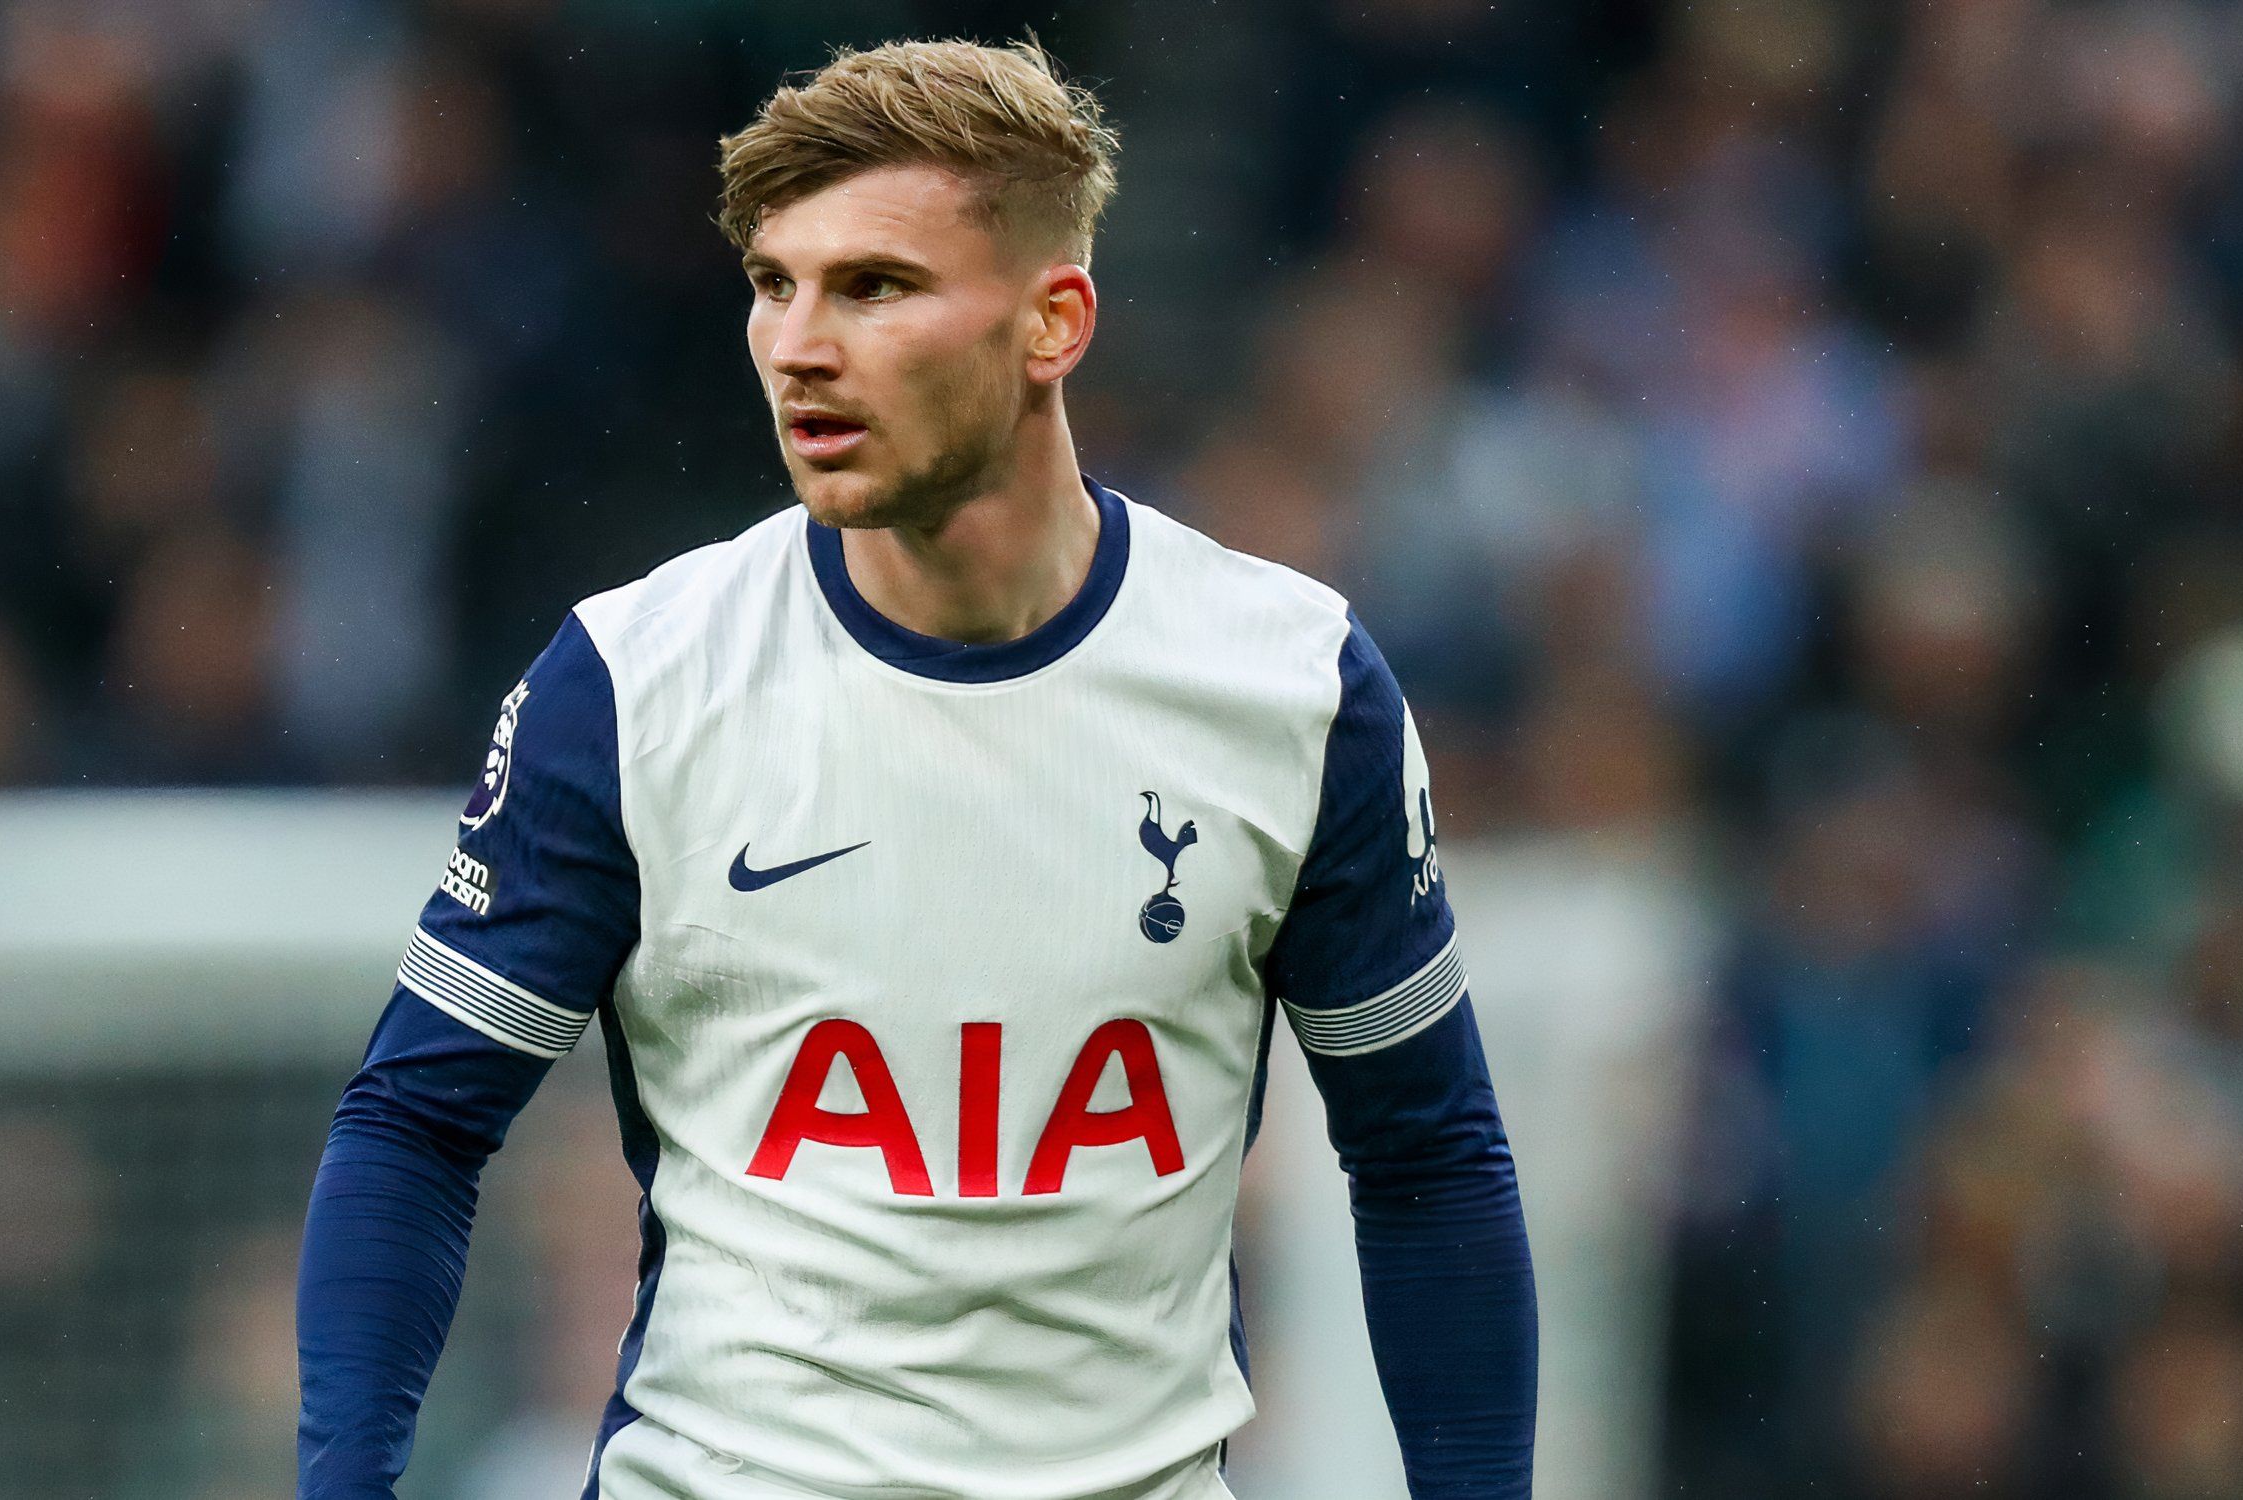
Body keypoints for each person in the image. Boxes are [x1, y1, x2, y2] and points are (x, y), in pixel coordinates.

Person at [296, 38, 1535, 1500]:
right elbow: (416, 1124)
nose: (800, 345)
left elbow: (1428, 1161)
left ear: (1053, 322)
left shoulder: (1289, 683)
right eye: (775, 285)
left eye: (875, 287)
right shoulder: (634, 682)